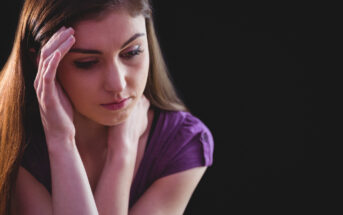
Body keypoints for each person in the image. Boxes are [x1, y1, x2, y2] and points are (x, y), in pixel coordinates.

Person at [0, 0, 214, 214]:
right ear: (42, 63)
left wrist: (121, 153)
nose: (117, 84)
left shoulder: (182, 143)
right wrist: (61, 141)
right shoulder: (13, 137)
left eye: (132, 52)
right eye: (88, 63)